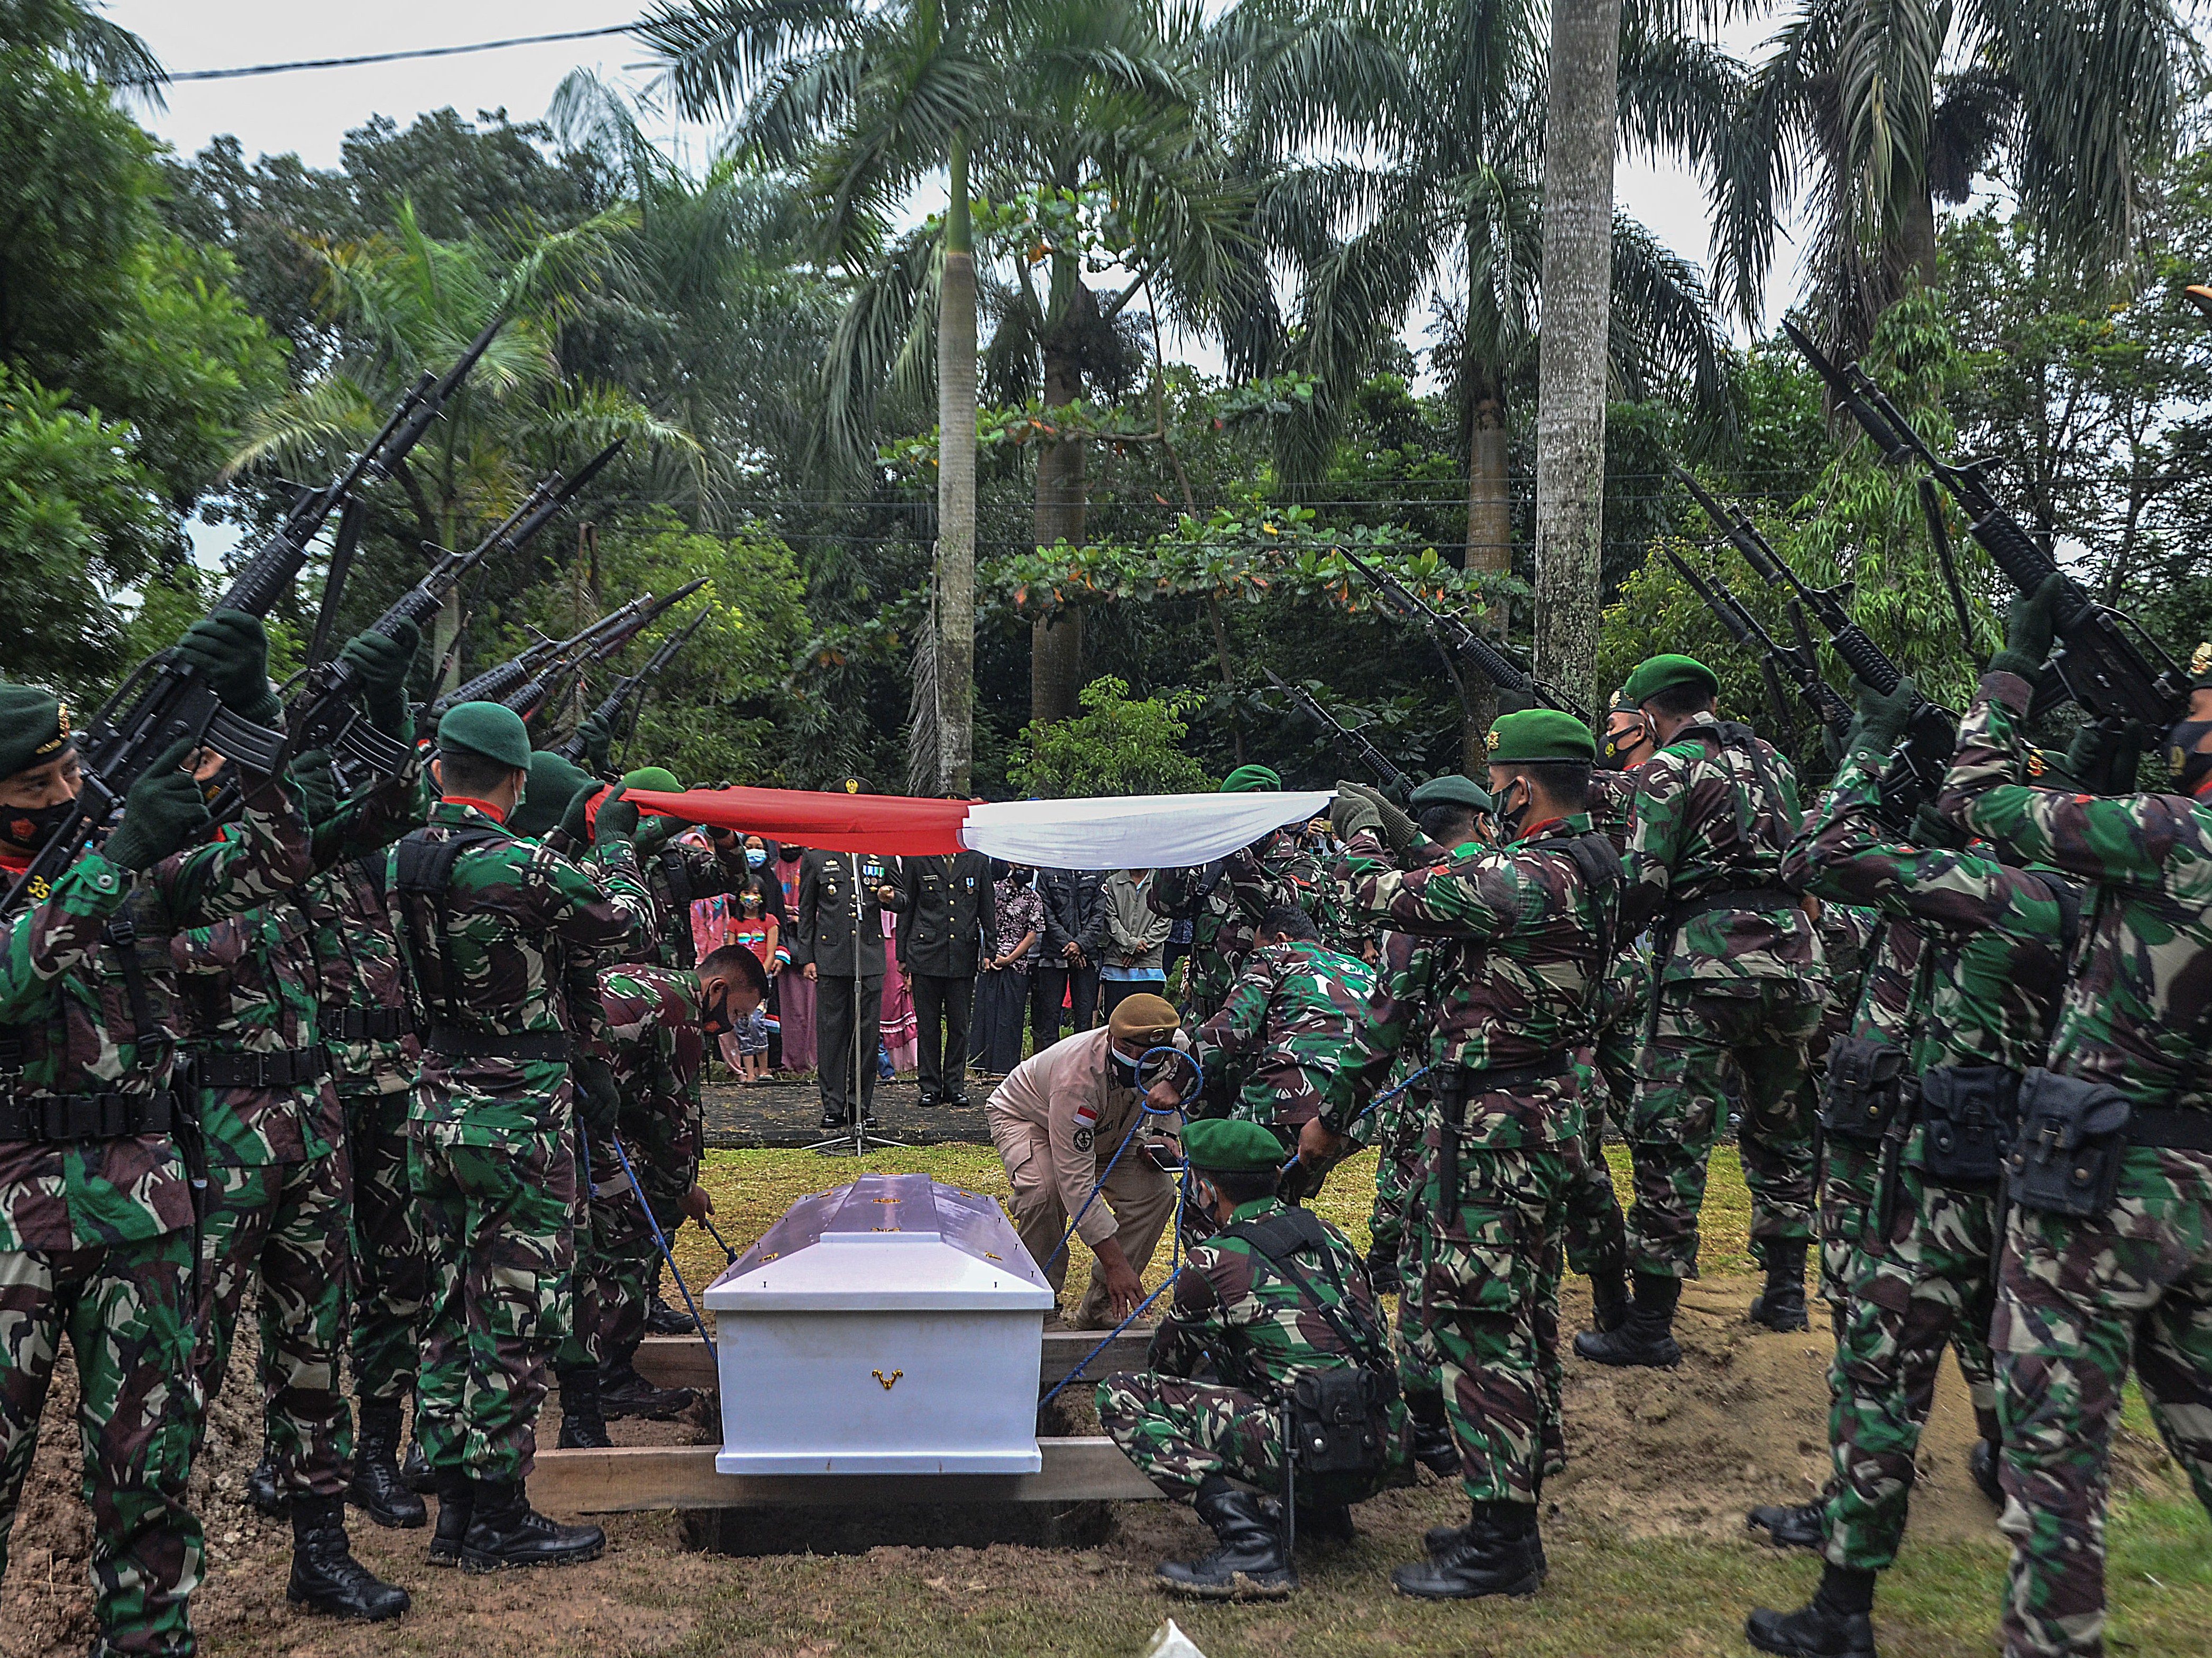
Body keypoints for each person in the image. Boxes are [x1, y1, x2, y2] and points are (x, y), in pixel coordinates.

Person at [0, 613, 311, 1656]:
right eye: (45, 778)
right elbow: (14, 976)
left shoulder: (117, 860)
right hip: (16, 1205)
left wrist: (258, 729)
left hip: (143, 1192)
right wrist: (116, 854)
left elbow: (277, 864)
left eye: (72, 766)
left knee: (147, 1459)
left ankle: (146, 1639)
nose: (69, 787)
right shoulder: (94, 865)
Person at [1746, 674, 2075, 1657]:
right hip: (2030, 1162)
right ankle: (2004, 1476)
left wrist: (1865, 750)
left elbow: (1816, 853)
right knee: (2021, 1368)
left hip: (1936, 1171)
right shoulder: (2075, 891)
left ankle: (1843, 1605)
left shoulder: (1985, 892)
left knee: (1880, 1374)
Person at [1932, 591, 2212, 1658]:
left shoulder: (2169, 832)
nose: (2183, 719)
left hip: (2103, 1190)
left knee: (2052, 1458)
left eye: (2197, 704)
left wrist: (2012, 670)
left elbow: (1978, 799)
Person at [1315, 708, 1622, 1599]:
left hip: (1496, 1128)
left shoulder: (1518, 877)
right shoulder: (1595, 865)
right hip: (1548, 1113)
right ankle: (1504, 1508)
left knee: (1478, 1322)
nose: (1491, 802)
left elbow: (1365, 898)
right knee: (1519, 1313)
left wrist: (1360, 834)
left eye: (1498, 787)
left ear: (1519, 787)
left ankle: (1504, 1544)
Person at [390, 702, 655, 1572]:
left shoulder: (402, 860)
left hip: (435, 1107)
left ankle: (456, 1513)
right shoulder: (518, 864)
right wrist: (616, 842)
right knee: (515, 1313)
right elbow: (626, 924)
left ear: (439, 770)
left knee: (445, 1310)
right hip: (517, 1115)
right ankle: (499, 1514)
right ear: (513, 781)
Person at [1580, 653, 1826, 1368]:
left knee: (1670, 1134)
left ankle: (1649, 1325)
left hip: (1707, 968)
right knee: (1781, 1124)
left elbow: (1646, 880)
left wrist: (1599, 940)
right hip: (1794, 961)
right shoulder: (1774, 761)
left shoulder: (1670, 768)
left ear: (1651, 714)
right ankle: (1785, 1293)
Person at [1096, 1117, 1407, 1601]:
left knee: (1122, 1395)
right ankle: (1322, 1513)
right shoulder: (1329, 1237)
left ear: (1203, 1187)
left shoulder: (1215, 1261)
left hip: (1308, 1446)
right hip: (1384, 1440)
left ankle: (1252, 1545)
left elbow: (1167, 1366)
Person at [986, 992, 1184, 1330]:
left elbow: (1183, 1080)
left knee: (1156, 1193)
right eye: (1129, 1051)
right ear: (1112, 1036)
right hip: (1032, 1119)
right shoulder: (1075, 1079)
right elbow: (1076, 1184)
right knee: (1044, 1193)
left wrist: (1165, 1132)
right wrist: (1115, 1265)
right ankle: (1039, 1308)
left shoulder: (1175, 1045)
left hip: (1112, 1123)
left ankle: (1102, 1307)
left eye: (1147, 1054)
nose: (1137, 1059)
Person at [1192, 904, 1375, 1200]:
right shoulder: (1362, 971)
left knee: (1212, 1198)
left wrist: (1176, 1082)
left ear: (1279, 939)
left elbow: (1231, 1028)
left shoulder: (1276, 957)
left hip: (1284, 1102)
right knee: (1280, 1198)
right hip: (1354, 1115)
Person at [790, 846, 896, 1129]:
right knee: (832, 1033)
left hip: (869, 956)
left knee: (867, 1036)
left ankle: (860, 1105)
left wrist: (891, 897)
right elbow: (808, 910)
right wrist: (808, 957)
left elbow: (903, 898)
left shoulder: (881, 856)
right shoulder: (818, 857)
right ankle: (834, 1105)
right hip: (831, 956)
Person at [886, 846, 993, 1106]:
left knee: (959, 1025)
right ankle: (930, 1085)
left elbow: (986, 907)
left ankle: (955, 1085)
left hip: (962, 954)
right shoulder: (919, 857)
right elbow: (908, 909)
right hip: (926, 953)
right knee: (929, 1025)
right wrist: (902, 956)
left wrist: (990, 949)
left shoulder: (977, 859)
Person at [971, 861, 1046, 1079]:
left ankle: (1004, 1068)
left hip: (1017, 964)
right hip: (989, 961)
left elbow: (1032, 936)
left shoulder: (1034, 898)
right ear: (1012, 864)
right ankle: (979, 1065)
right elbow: (981, 924)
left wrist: (1010, 958)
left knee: (1010, 1017)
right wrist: (988, 954)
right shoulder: (993, 891)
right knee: (985, 1012)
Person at [1033, 867, 1106, 1043]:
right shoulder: (1046, 873)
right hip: (1053, 954)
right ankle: (1049, 1066)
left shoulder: (1097, 872)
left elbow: (1100, 914)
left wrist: (1080, 945)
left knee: (1084, 1018)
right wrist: (1070, 946)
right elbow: (1045, 915)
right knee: (1049, 1017)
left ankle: (1081, 1066)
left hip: (1087, 956)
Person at [1099, 868, 1173, 1021]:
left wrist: (1140, 947)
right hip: (1117, 966)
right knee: (1115, 1024)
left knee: (1148, 1026)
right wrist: (1131, 945)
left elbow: (1165, 921)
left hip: (1150, 967)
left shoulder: (1162, 883)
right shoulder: (1113, 882)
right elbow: (1109, 919)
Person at [768, 841, 816, 1073]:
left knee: (813, 1005)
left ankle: (814, 1058)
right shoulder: (772, 870)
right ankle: (792, 1059)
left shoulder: (812, 865)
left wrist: (802, 916)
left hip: (813, 944)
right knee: (789, 1007)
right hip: (784, 946)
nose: (789, 846)